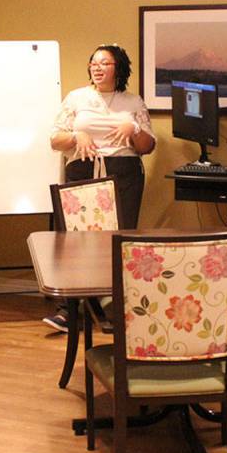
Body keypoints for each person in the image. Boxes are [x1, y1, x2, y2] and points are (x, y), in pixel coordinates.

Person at [44, 43, 156, 331]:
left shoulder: (132, 102)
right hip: (83, 170)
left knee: (119, 242)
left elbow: (148, 146)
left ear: (118, 68)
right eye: (94, 62)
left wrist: (134, 130)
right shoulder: (76, 98)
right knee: (76, 243)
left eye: (105, 63)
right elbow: (55, 139)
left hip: (124, 173)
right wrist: (76, 135)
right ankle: (71, 310)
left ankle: (115, 305)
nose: (97, 67)